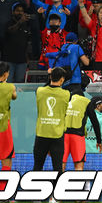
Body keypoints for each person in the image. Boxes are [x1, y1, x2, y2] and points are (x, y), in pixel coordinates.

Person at [33, 67, 70, 195]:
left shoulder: (40, 91)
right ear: (62, 80)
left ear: (50, 78)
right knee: (57, 167)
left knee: (38, 166)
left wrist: (49, 76)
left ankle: (35, 194)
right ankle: (56, 195)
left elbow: (45, 87)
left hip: (42, 133)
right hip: (57, 134)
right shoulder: (66, 94)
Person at [63, 86, 102, 171]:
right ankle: (78, 183)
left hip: (63, 136)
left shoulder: (66, 100)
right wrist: (99, 141)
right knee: (79, 165)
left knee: (61, 163)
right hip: (78, 136)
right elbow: (95, 122)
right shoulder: (86, 102)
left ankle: (57, 182)